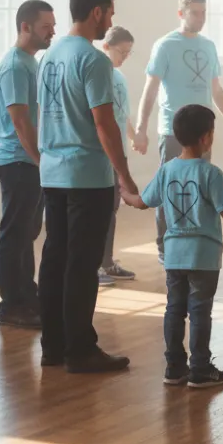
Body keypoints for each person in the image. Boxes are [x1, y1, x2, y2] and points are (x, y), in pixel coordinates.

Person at [123, 105, 223, 388]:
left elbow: (143, 202)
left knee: (174, 309)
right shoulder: (211, 173)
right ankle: (200, 368)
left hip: (174, 256)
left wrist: (126, 195)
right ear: (206, 138)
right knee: (200, 311)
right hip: (203, 257)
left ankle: (174, 368)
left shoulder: (166, 170)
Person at [38, 0, 139, 373]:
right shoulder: (95, 61)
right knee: (82, 264)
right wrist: (125, 177)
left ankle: (53, 345)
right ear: (97, 12)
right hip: (86, 176)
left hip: (53, 171)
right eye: (110, 13)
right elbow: (105, 124)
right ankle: (80, 349)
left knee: (55, 257)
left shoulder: (51, 56)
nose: (111, 20)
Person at [131, 0, 223, 262]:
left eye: (204, 12)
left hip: (202, 130)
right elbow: (151, 89)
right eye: (195, 12)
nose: (201, 18)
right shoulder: (165, 45)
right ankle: (165, 245)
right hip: (173, 131)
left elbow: (216, 90)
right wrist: (140, 128)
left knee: (201, 188)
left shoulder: (208, 46)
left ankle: (196, 238)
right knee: (170, 188)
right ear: (181, 14)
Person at [0, 0, 55, 328]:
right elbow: (21, 122)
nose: (53, 32)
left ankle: (27, 296)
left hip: (28, 162)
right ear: (26, 27)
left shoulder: (32, 63)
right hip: (17, 162)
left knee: (27, 233)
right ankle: (11, 306)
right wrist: (40, 162)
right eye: (47, 26)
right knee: (14, 235)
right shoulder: (16, 65)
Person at [98, 26, 137, 285]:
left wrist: (134, 136)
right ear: (106, 47)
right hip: (102, 155)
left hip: (118, 152)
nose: (124, 57)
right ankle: (95, 266)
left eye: (128, 53)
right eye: (121, 52)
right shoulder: (98, 76)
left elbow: (122, 115)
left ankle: (107, 262)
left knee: (111, 210)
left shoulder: (119, 77)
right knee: (100, 212)